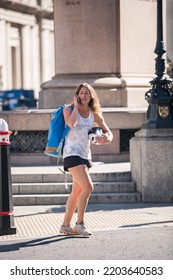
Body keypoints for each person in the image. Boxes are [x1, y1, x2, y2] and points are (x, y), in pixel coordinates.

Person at [59, 83, 113, 236]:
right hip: (71, 153)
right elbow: (72, 123)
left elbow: (108, 132)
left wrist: (106, 139)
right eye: (81, 93)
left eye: (86, 94)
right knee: (88, 187)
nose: (83, 96)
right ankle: (80, 224)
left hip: (85, 155)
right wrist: (76, 107)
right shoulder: (68, 109)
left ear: (91, 96)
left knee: (76, 192)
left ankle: (65, 226)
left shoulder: (94, 114)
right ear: (77, 95)